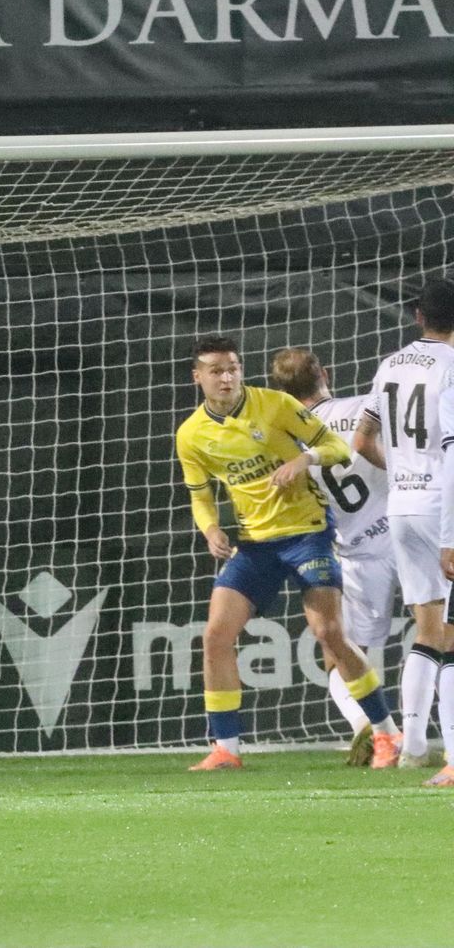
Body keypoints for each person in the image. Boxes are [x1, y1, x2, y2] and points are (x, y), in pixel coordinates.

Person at [176, 336, 398, 771]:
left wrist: (304, 459)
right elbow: (200, 495)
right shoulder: (191, 435)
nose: (226, 377)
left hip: (307, 534)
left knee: (329, 634)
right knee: (215, 637)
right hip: (255, 544)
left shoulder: (275, 404)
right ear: (197, 376)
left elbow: (337, 447)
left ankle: (387, 733)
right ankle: (226, 749)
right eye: (216, 370)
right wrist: (210, 529)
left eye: (233, 368)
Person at [268, 348, 398, 765]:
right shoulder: (362, 407)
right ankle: (420, 738)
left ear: (281, 393)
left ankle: (369, 727)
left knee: (341, 653)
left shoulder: (285, 440)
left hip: (358, 555)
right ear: (325, 374)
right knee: (436, 639)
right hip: (407, 532)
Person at [355, 277, 454, 784]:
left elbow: (361, 437)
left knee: (427, 629)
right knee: (451, 635)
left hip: (401, 506)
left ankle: (414, 745)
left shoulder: (390, 364)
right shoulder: (453, 366)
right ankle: (452, 754)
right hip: (444, 508)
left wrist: (398, 473)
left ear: (418, 316)